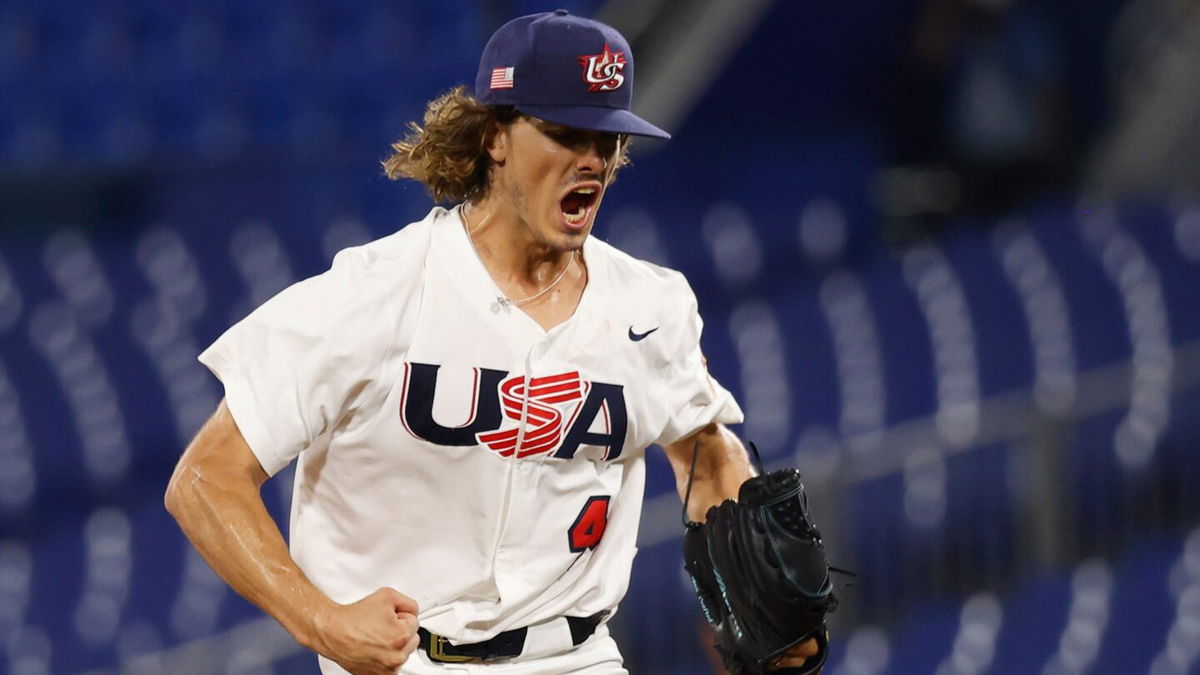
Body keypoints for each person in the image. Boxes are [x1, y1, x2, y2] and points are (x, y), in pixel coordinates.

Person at [165, 10, 820, 674]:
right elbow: (204, 479)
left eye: (608, 138)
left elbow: (706, 458)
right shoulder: (376, 293)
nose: (592, 159)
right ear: (495, 135)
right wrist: (322, 620)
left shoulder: (650, 306)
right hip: (407, 662)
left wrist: (759, 575)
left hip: (580, 656)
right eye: (567, 132)